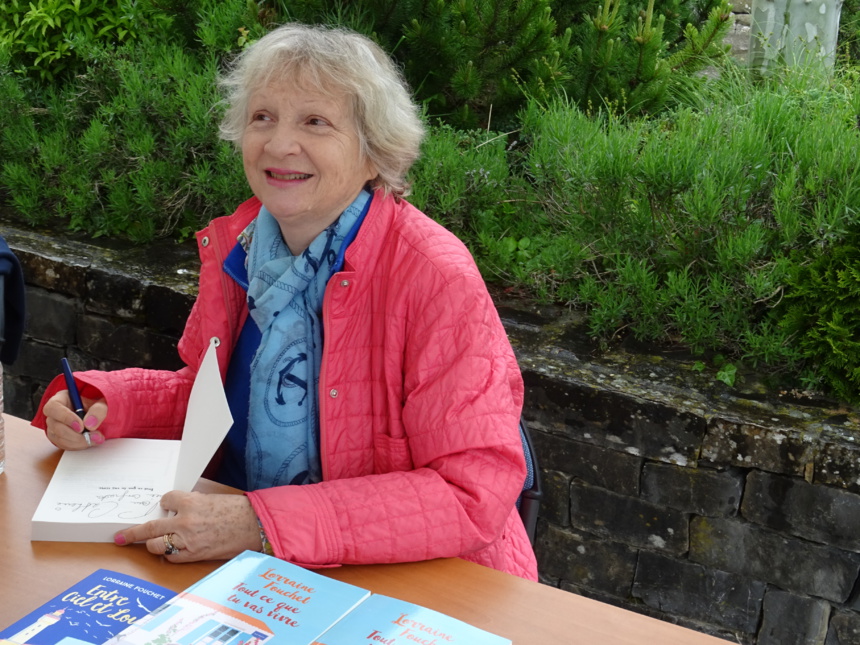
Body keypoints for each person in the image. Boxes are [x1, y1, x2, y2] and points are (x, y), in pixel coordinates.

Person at [32, 23, 537, 580]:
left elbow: (470, 492)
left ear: (375, 154)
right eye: (262, 117)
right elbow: (213, 403)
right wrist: (107, 405)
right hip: (256, 569)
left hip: (420, 585)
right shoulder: (242, 246)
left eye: (315, 122)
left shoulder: (435, 275)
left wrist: (259, 523)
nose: (278, 144)